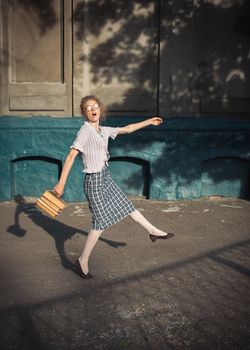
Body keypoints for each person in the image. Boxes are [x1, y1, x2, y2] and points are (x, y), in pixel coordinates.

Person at [53, 95, 174, 279]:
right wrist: (61, 183)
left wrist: (149, 121)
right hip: (93, 182)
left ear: (100, 109)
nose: (93, 109)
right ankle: (82, 260)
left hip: (105, 177)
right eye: (88, 107)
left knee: (126, 206)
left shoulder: (103, 130)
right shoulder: (85, 131)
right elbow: (71, 156)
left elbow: (128, 129)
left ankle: (152, 231)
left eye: (95, 106)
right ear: (84, 113)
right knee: (100, 222)